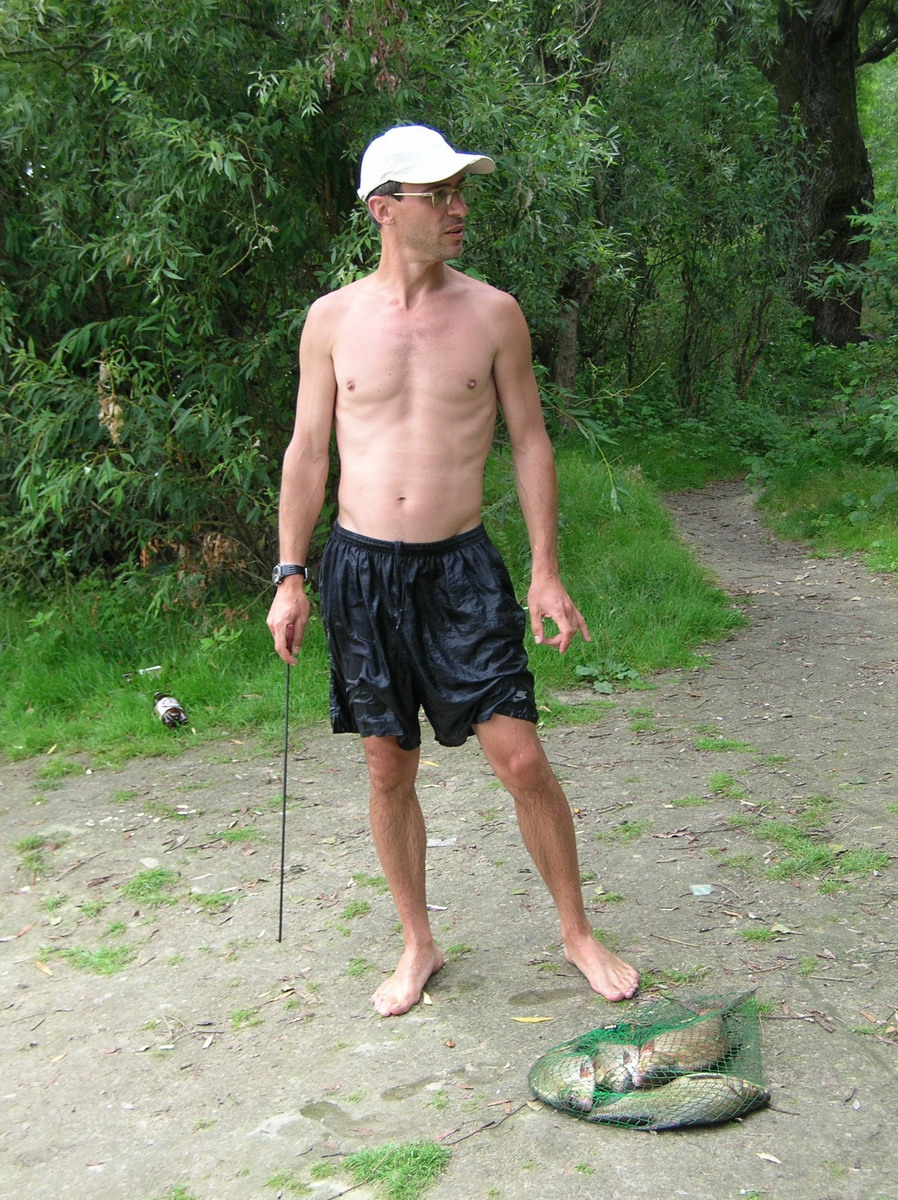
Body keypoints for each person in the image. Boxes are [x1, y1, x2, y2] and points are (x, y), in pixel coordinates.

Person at [267, 124, 639, 1016]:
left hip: (461, 572)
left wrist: (545, 570)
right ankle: (418, 943)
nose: (459, 207)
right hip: (360, 572)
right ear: (384, 209)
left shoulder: (494, 314)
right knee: (387, 769)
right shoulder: (332, 320)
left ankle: (577, 932)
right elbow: (308, 451)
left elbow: (531, 441)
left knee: (522, 759)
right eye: (438, 194)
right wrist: (290, 574)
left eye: (460, 191)